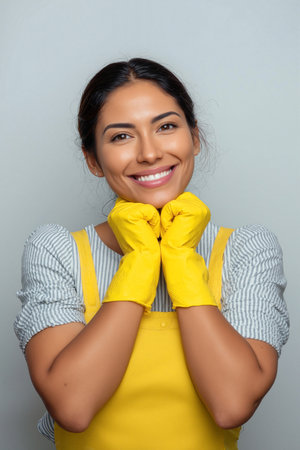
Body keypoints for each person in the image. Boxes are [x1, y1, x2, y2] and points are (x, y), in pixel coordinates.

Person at [14, 58, 289, 449]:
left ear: (194, 138)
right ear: (93, 159)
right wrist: (142, 257)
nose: (148, 153)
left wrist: (176, 255)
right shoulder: (56, 250)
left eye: (166, 127)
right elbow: (72, 406)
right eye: (121, 137)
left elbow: (232, 403)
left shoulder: (247, 250)